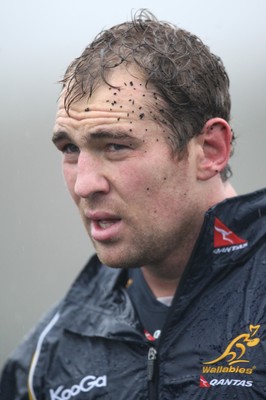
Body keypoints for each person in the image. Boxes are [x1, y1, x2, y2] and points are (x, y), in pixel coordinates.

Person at [1, 9, 265, 400]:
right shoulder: (50, 353)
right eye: (71, 148)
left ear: (210, 150)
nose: (85, 183)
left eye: (116, 146)